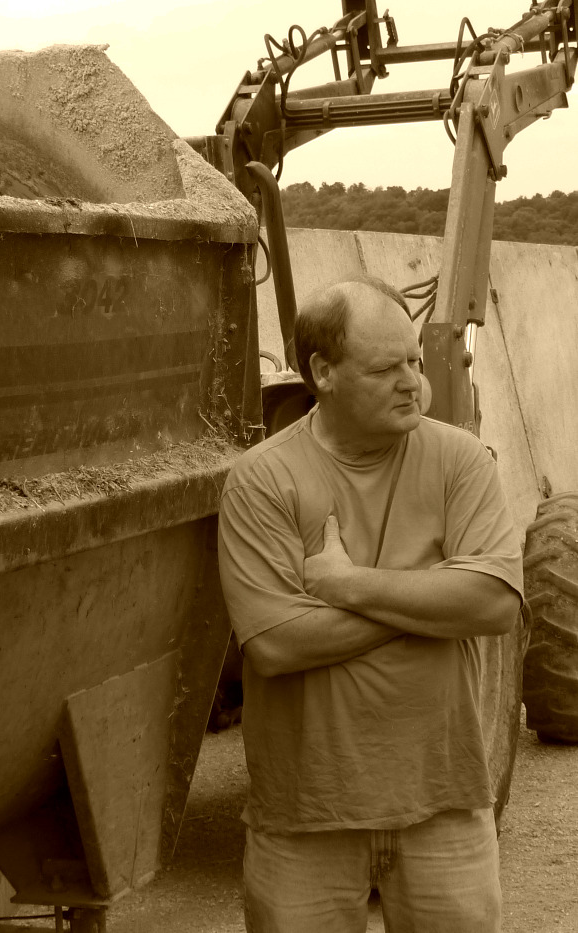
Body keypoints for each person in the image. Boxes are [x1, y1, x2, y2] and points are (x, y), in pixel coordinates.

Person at [217, 275, 523, 933]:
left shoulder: (462, 461)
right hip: (305, 821)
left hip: (444, 808)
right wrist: (433, 594)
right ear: (323, 372)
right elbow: (274, 644)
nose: (415, 382)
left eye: (415, 359)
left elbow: (494, 603)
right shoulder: (263, 479)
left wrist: (346, 584)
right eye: (388, 369)